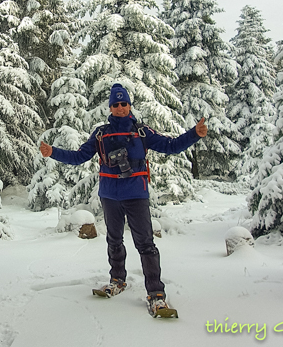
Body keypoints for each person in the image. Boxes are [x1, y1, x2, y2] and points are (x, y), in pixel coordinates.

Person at [39, 82, 207, 317]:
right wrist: (53, 152)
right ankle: (117, 280)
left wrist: (194, 134)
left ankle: (156, 295)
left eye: (123, 103)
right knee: (114, 240)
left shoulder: (141, 131)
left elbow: (170, 146)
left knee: (146, 245)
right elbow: (80, 156)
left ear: (129, 105)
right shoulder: (101, 133)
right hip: (110, 196)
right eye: (115, 104)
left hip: (136, 195)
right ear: (110, 107)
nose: (120, 107)